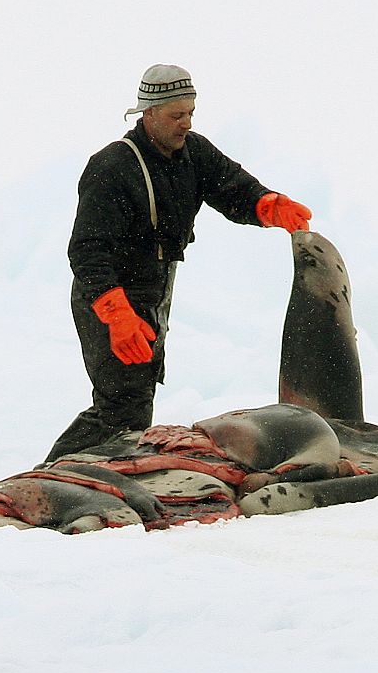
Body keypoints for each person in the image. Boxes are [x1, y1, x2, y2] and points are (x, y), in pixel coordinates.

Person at [45, 64, 312, 462]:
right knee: (121, 405)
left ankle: (98, 475)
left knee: (136, 397)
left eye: (190, 113)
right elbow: (87, 249)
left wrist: (266, 205)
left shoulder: (194, 154)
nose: (185, 123)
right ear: (148, 113)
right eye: (176, 115)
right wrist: (116, 314)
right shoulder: (112, 166)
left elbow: (232, 187)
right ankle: (47, 480)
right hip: (109, 294)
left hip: (154, 289)